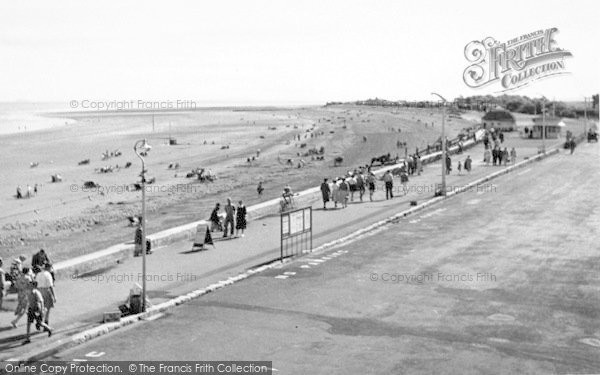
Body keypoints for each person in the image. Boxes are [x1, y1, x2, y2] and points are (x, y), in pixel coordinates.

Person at [23, 280, 52, 344]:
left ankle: (49, 328)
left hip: (36, 309)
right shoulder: (29, 292)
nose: (29, 286)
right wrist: (26, 309)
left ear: (34, 286)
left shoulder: (36, 292)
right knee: (28, 323)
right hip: (31, 309)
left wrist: (41, 310)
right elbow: (28, 302)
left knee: (40, 323)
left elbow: (41, 301)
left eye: (30, 285)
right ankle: (28, 338)